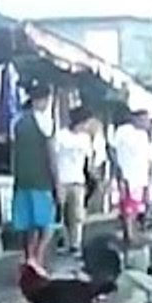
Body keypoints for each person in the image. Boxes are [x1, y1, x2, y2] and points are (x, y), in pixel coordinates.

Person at [11, 84, 57, 269]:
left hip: (22, 181)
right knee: (46, 226)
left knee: (29, 226)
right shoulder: (45, 121)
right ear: (45, 99)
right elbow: (51, 155)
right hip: (41, 181)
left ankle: (29, 257)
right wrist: (57, 182)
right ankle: (36, 259)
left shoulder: (18, 121)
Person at [53, 107, 99, 256]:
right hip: (62, 179)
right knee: (61, 214)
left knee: (77, 214)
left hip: (78, 180)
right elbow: (53, 159)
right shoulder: (61, 136)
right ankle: (62, 241)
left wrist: (93, 177)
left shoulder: (85, 139)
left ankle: (75, 244)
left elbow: (89, 160)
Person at [110, 109, 152, 246]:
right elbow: (113, 150)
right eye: (144, 119)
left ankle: (130, 232)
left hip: (140, 176)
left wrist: (148, 179)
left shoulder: (144, 136)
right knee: (127, 206)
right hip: (127, 175)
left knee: (136, 207)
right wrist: (118, 170)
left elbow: (148, 159)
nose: (147, 123)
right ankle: (128, 234)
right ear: (136, 119)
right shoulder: (123, 131)